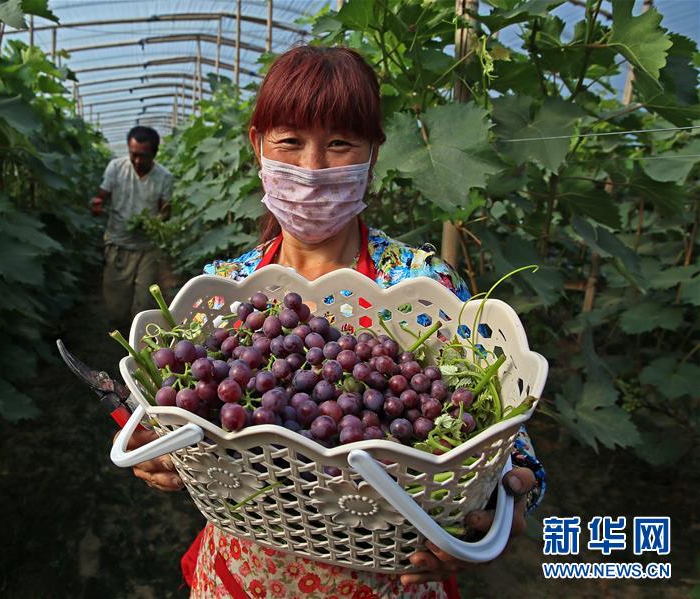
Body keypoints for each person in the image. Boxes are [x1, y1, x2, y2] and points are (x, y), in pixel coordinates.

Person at [124, 46, 546, 598]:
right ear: (258, 146)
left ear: (374, 155)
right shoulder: (228, 287)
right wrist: (163, 449)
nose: (313, 169)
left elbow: (500, 428)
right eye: (290, 142)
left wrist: (508, 494)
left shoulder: (421, 285)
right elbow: (185, 410)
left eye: (340, 143)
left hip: (389, 575)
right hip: (246, 577)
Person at [95, 126, 174, 326]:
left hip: (147, 248)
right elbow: (101, 196)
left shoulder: (164, 177)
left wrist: (155, 222)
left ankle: (138, 341)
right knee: (116, 305)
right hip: (118, 244)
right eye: (133, 155)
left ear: (154, 153)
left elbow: (165, 210)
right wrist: (96, 204)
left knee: (144, 302)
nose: (137, 161)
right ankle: (119, 335)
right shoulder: (116, 168)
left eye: (143, 156)